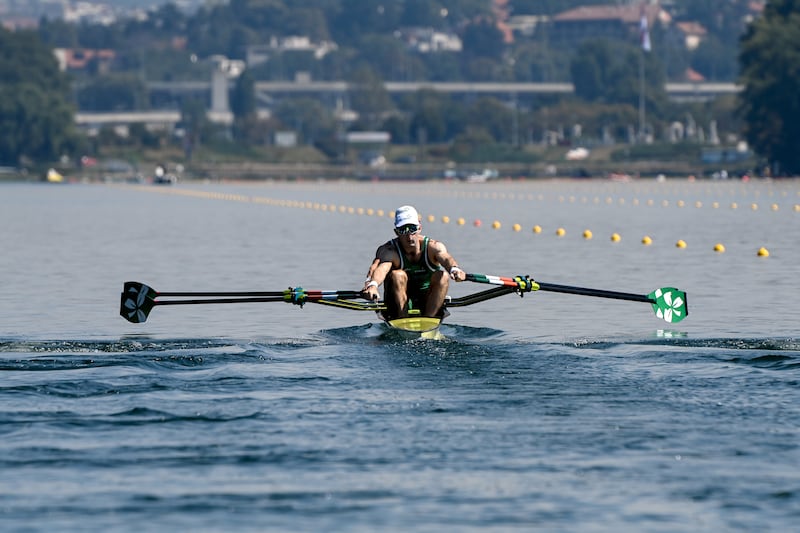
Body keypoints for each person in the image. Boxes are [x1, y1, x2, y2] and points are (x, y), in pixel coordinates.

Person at [362, 205, 466, 319]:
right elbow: (380, 269)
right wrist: (372, 285)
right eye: (403, 230)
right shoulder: (389, 251)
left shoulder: (433, 247)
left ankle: (428, 319)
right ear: (396, 232)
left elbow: (446, 259)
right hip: (396, 304)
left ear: (420, 227)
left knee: (443, 276)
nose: (409, 235)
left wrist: (455, 269)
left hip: (427, 300)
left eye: (412, 228)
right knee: (398, 275)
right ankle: (403, 319)